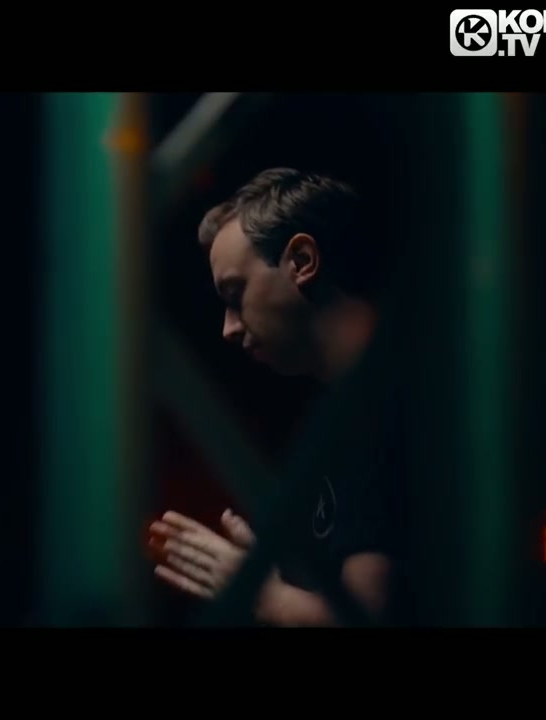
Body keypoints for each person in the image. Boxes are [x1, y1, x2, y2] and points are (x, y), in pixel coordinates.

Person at [148, 167, 401, 627]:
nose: (228, 328)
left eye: (235, 293)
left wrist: (264, 594)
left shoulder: (385, 408)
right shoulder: (356, 411)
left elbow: (364, 621)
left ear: (302, 260)